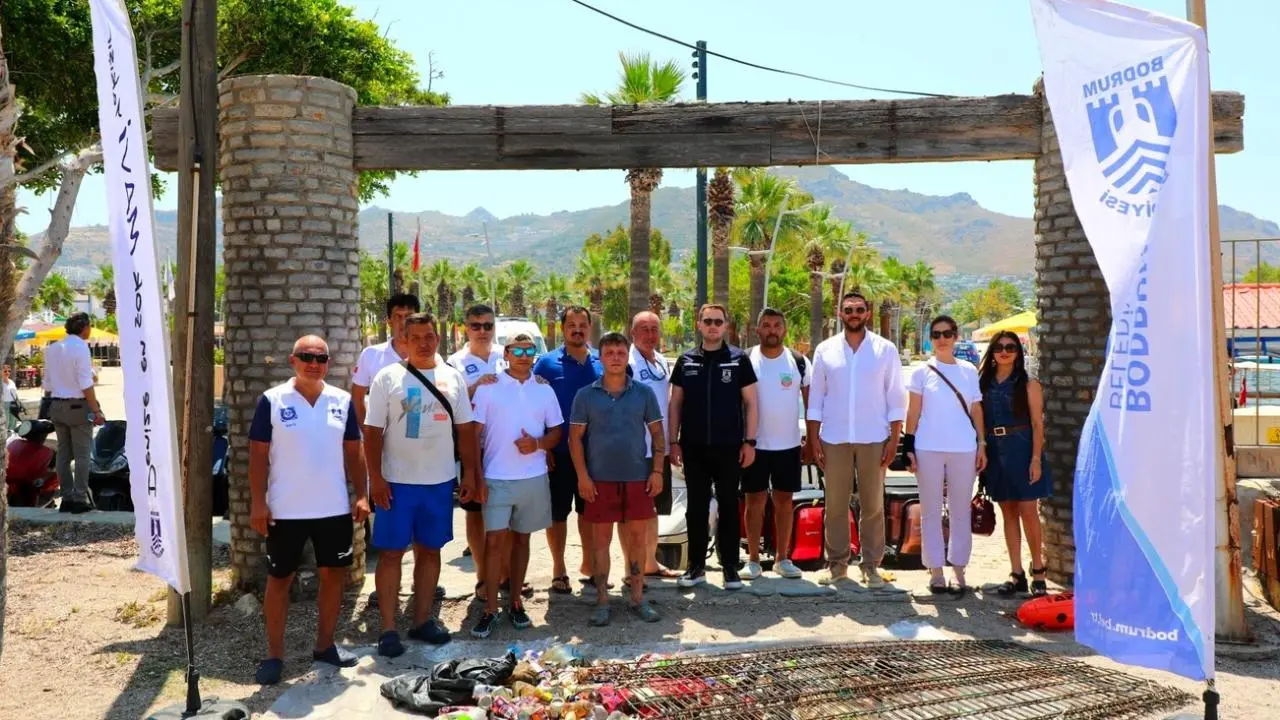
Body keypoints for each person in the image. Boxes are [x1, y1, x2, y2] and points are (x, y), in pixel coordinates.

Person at [247, 335, 370, 684]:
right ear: (293, 360)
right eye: (306, 357)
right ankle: (274, 655)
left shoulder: (341, 400)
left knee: (334, 577)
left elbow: (354, 451)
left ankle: (325, 645)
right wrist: (258, 502)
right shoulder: (272, 400)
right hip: (285, 510)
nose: (313, 364)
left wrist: (362, 494)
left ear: (328, 363)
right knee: (279, 579)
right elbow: (257, 455)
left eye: (321, 358)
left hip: (333, 509)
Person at [364, 313, 481, 656]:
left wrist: (470, 474)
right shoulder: (387, 377)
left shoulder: (452, 377)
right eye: (415, 337)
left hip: (439, 483)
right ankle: (388, 629)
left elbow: (466, 430)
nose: (423, 343)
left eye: (429, 336)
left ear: (437, 338)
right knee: (390, 554)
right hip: (396, 484)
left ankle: (421, 620)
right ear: (404, 340)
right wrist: (376, 478)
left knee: (430, 551)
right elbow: (372, 432)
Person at [807, 292, 905, 588]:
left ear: (867, 313)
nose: (854, 314)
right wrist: (813, 439)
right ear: (840, 313)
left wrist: (894, 440)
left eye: (859, 309)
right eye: (848, 310)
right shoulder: (825, 350)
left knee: (873, 505)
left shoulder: (885, 349)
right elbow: (816, 398)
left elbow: (895, 397)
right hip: (834, 437)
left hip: (873, 437)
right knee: (835, 505)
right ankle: (837, 565)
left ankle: (871, 566)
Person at [469, 333, 563, 637]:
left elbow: (557, 432)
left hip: (533, 478)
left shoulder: (544, 389)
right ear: (506, 354)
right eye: (517, 351)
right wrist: (475, 476)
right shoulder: (488, 388)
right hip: (496, 478)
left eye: (529, 350)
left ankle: (515, 603)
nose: (524, 356)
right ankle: (490, 609)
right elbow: (473, 435)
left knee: (523, 541)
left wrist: (537, 444)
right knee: (494, 542)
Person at [570, 332, 665, 625]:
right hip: (599, 482)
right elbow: (575, 440)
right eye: (609, 353)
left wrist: (657, 471)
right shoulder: (585, 395)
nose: (615, 358)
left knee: (637, 541)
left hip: (637, 479)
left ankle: (637, 598)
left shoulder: (644, 393)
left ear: (627, 356)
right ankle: (602, 602)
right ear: (600, 358)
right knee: (600, 543)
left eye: (620, 352)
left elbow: (658, 434)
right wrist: (583, 477)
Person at [669, 303, 759, 590]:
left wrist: (750, 442)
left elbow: (751, 403)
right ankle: (695, 567)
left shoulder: (738, 359)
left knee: (729, 505)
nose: (712, 326)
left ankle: (730, 567)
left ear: (726, 326)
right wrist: (673, 441)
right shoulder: (686, 360)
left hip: (729, 447)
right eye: (707, 321)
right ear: (698, 324)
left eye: (718, 322)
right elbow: (675, 404)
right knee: (695, 508)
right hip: (693, 447)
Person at [904, 315, 986, 595]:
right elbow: (913, 411)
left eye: (947, 333)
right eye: (936, 334)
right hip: (928, 447)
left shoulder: (969, 371)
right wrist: (908, 445)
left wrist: (982, 443)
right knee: (930, 511)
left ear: (956, 336)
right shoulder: (921, 372)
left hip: (964, 447)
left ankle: (959, 568)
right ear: (931, 339)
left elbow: (976, 409)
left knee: (961, 510)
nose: (942, 339)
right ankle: (936, 569)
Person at [532, 306, 603, 595]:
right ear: (562, 329)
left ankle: (590, 566)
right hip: (559, 452)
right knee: (557, 513)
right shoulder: (546, 364)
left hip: (594, 454)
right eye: (571, 324)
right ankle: (559, 569)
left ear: (589, 328)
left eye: (582, 324)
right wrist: (545, 446)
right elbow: (535, 405)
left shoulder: (601, 360)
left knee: (589, 512)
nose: (577, 329)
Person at [447, 303, 513, 599]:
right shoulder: (454, 362)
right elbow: (449, 403)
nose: (482, 331)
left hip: (505, 446)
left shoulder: (506, 355)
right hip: (472, 447)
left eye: (488, 325)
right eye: (476, 325)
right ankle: (483, 575)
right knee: (475, 513)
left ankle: (507, 574)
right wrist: (474, 388)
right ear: (466, 328)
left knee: (507, 511)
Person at [978, 331, 1050, 597]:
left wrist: (1035, 459)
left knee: (1028, 510)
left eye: (1010, 347)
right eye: (999, 347)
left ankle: (1038, 570)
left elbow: (1038, 424)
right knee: (1007, 512)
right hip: (995, 449)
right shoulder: (983, 383)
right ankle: (1016, 572)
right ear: (992, 352)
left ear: (1018, 352)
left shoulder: (1029, 384)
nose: (1004, 352)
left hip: (1022, 447)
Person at [742, 308, 810, 580]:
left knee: (784, 501)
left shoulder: (799, 362)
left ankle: (782, 558)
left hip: (789, 445)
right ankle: (753, 560)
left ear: (785, 330)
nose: (772, 330)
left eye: (777, 325)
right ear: (757, 329)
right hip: (754, 445)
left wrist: (812, 440)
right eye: (767, 325)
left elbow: (812, 405)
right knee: (754, 501)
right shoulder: (745, 359)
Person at [625, 311, 680, 583]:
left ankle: (650, 563)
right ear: (632, 333)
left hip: (660, 450)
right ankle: (631, 569)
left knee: (653, 510)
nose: (649, 335)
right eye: (643, 329)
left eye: (654, 329)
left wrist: (672, 442)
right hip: (636, 451)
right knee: (634, 514)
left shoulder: (661, 361)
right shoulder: (628, 363)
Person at [43, 313, 105, 513]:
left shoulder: (52, 348)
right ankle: (79, 499)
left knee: (63, 454)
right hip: (77, 407)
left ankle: (67, 498)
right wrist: (96, 410)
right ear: (84, 327)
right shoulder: (80, 347)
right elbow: (85, 383)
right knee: (82, 455)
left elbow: (47, 384)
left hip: (56, 405)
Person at [352, 292, 421, 425]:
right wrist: (368, 432)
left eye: (408, 317)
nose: (403, 323)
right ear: (389, 321)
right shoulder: (371, 355)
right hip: (381, 436)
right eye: (398, 317)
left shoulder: (429, 358)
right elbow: (357, 398)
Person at [3, 365, 21, 431]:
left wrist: (18, 403)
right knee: (5, 423)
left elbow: (15, 393)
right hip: (4, 405)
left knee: (13, 422)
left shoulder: (11, 382)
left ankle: (11, 435)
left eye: (9, 371)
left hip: (13, 404)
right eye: (5, 371)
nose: (7, 372)